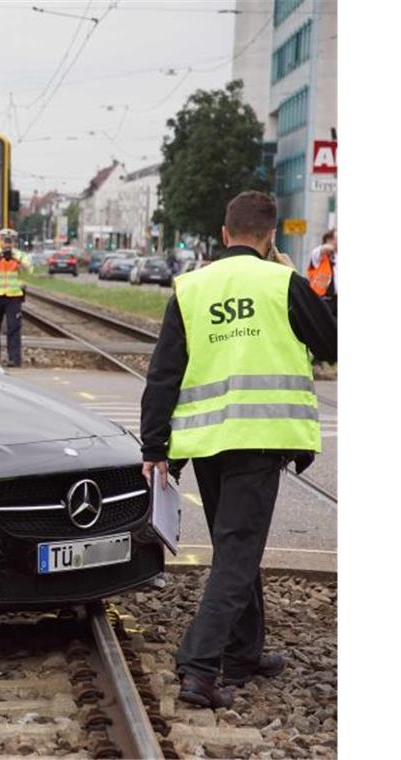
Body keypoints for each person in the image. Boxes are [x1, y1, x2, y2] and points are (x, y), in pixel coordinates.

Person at [140, 191, 337, 709]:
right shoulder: (283, 282)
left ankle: (244, 654)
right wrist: (309, 282)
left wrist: (155, 445)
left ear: (225, 234)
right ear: (271, 237)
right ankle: (199, 667)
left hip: (206, 442)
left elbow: (164, 372)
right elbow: (333, 343)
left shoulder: (191, 287)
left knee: (235, 546)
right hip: (260, 439)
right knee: (239, 552)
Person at [0, 228, 31, 367]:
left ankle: (14, 359)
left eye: (10, 241)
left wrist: (16, 259)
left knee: (14, 328)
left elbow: (28, 271)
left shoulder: (21, 256)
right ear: (1, 241)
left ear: (14, 242)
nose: (7, 244)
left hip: (13, 296)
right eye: (5, 241)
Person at [306, 229, 337, 318]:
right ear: (328, 240)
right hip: (322, 300)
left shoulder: (336, 257)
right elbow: (326, 248)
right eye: (336, 238)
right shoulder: (318, 255)